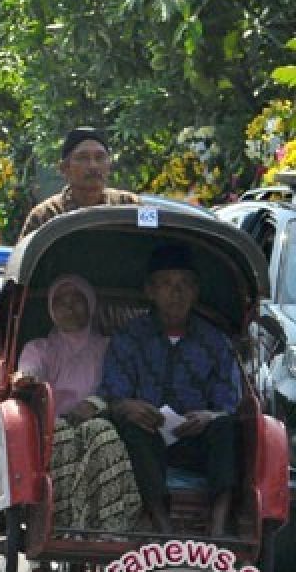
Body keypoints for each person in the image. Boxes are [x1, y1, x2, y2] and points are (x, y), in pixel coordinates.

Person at [74, 244, 240, 536]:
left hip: (196, 440)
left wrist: (209, 417)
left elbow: (229, 401)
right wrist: (129, 406)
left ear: (195, 291)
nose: (176, 293)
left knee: (226, 427)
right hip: (147, 442)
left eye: (184, 285)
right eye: (166, 284)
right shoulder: (128, 337)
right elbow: (112, 393)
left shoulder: (215, 342)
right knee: (131, 427)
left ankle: (218, 525)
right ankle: (162, 525)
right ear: (150, 291)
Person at [14, 275, 142, 534]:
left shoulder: (109, 347)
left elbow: (118, 386)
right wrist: (25, 377)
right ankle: (57, 529)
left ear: (91, 306)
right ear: (51, 309)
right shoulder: (40, 348)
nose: (69, 307)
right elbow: (30, 370)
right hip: (53, 424)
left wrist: (94, 405)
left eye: (77, 300)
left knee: (104, 436)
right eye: (61, 301)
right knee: (62, 435)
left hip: (100, 418)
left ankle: (110, 528)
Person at [18, 127, 138, 240]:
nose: (93, 166)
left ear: (109, 166)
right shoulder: (45, 216)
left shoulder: (129, 205)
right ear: (64, 168)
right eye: (83, 158)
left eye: (100, 157)